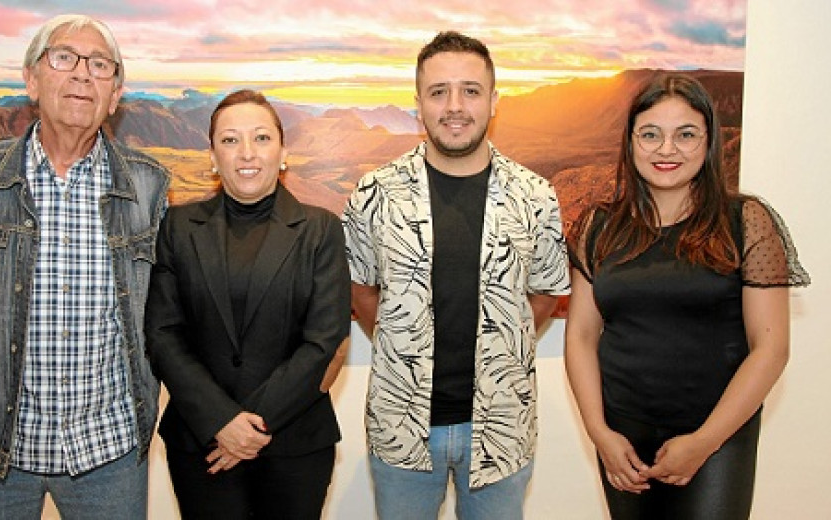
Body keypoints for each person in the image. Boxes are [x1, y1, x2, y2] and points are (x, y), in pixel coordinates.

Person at [0, 13, 170, 520]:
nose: (83, 74)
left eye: (101, 65)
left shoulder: (151, 187)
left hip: (108, 451)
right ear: (31, 80)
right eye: (64, 58)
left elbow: (171, 313)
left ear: (115, 96)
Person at [342, 31, 571, 519]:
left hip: (502, 429)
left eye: (470, 90)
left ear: (493, 102)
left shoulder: (535, 196)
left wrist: (501, 348)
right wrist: (407, 345)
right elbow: (361, 290)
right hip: (401, 427)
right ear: (418, 103)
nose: (454, 106)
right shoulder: (374, 194)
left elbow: (547, 294)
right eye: (438, 91)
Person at [564, 74, 810, 519]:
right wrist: (599, 433)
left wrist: (703, 442)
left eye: (686, 135)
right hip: (623, 438)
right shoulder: (598, 226)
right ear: (631, 141)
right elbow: (581, 334)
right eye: (651, 134)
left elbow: (771, 348)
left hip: (716, 436)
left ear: (709, 141)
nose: (666, 150)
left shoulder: (746, 221)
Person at [145, 89, 351, 519]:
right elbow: (164, 334)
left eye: (260, 138)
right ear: (213, 156)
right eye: (230, 140)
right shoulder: (179, 227)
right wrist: (221, 421)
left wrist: (250, 427)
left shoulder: (321, 230)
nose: (246, 153)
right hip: (203, 445)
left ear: (282, 152)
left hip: (295, 446)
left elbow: (324, 340)